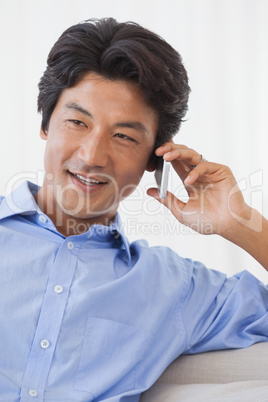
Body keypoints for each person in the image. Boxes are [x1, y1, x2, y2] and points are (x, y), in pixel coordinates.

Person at [0, 17, 267, 402]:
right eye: (77, 122)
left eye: (123, 136)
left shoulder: (174, 289)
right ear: (46, 122)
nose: (92, 156)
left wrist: (240, 222)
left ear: (153, 159)